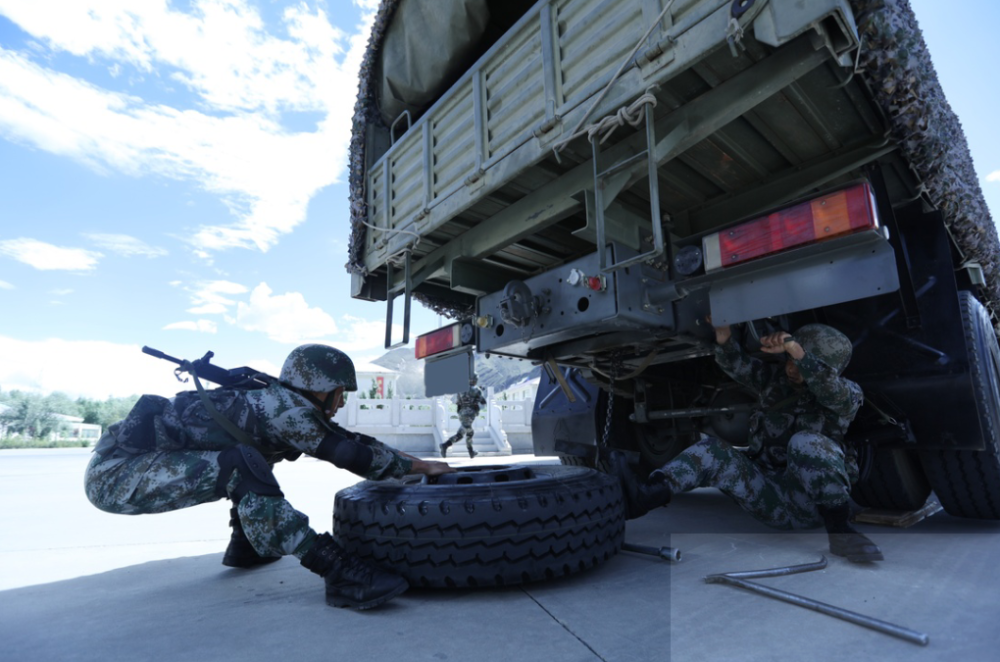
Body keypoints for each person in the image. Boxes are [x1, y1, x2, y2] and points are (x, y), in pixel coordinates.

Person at [84, 344, 454, 610]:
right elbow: (346, 454)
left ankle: (245, 548)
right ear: (322, 388)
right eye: (340, 393)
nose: (341, 402)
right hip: (117, 477)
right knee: (241, 463)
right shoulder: (287, 410)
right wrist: (418, 468)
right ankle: (340, 573)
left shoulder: (279, 403)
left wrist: (414, 462)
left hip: (127, 466)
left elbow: (350, 439)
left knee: (256, 454)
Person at [612, 321, 883, 563]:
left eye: (798, 360)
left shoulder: (847, 395)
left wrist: (797, 350)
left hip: (810, 505)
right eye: (788, 359)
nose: (791, 366)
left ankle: (841, 533)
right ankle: (645, 497)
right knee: (712, 450)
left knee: (806, 442)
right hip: (768, 497)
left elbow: (827, 386)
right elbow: (736, 365)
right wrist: (723, 336)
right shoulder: (775, 383)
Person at [440, 379, 487, 458]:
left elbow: (458, 403)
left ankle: (471, 452)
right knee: (462, 434)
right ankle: (445, 445)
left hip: (462, 414)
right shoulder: (476, 390)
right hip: (469, 414)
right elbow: (483, 402)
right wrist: (479, 393)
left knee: (468, 433)